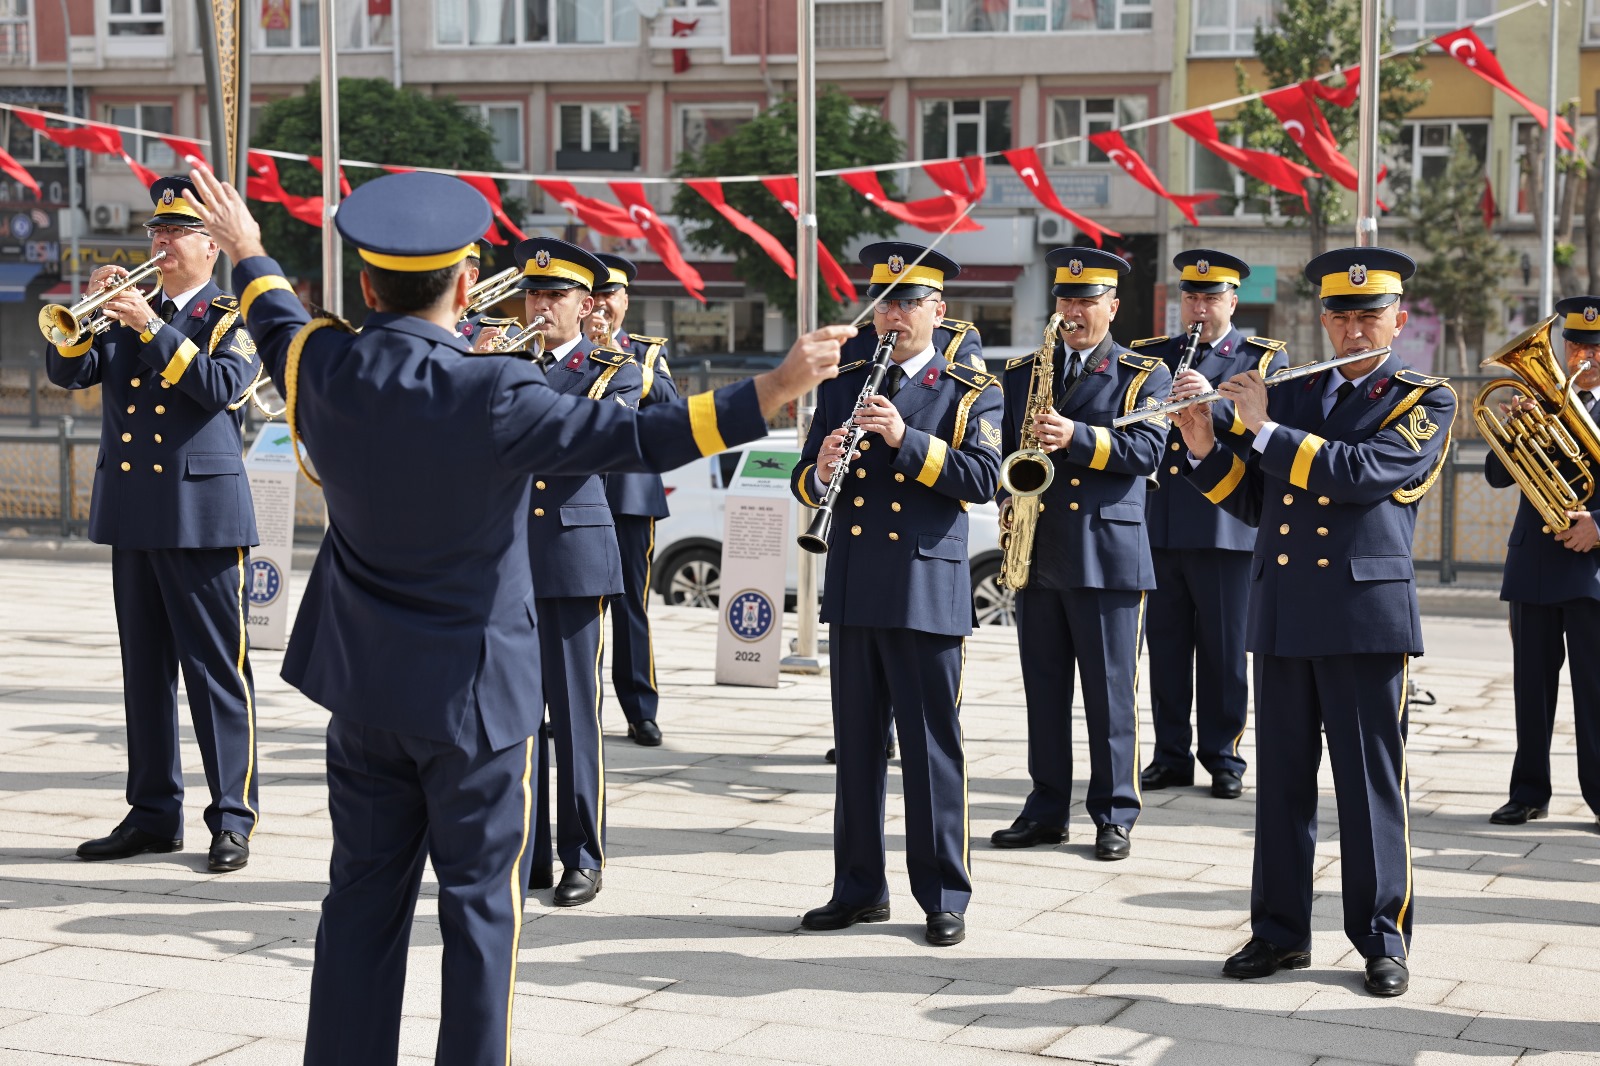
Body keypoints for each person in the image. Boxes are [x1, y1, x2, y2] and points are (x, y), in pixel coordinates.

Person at [183, 165, 848, 1064]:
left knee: (359, 907)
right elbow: (636, 437)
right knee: (480, 916)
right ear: (465, 285)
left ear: (368, 286)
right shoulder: (493, 390)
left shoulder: (324, 365)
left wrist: (248, 245)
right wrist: (770, 391)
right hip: (476, 703)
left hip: (365, 690)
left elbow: (272, 315)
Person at [1170, 246, 1455, 998]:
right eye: (1340, 316)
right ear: (1322, 320)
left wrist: (1259, 430)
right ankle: (1278, 933)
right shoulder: (1294, 396)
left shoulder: (1423, 397)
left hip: (1365, 616)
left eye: (1369, 315)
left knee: (1369, 789)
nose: (1355, 329)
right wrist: (1204, 447)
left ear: (1398, 317)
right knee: (1283, 788)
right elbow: (1259, 505)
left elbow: (1359, 477)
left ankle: (1383, 938)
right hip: (1286, 608)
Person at [47, 175, 261, 875]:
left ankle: (232, 816)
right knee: (144, 674)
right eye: (155, 233)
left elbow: (222, 389)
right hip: (136, 512)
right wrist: (88, 311)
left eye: (176, 233)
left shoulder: (231, 318)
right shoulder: (123, 311)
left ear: (210, 245)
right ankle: (152, 812)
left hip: (200, 516)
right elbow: (69, 371)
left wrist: (151, 326)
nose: (161, 244)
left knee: (214, 672)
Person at [790, 243, 1002, 947]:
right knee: (855, 751)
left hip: (923, 589)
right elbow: (804, 476)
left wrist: (907, 437)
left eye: (910, 302)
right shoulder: (845, 380)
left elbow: (982, 478)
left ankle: (943, 894)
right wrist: (821, 470)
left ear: (940, 311)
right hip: (853, 585)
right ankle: (857, 889)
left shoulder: (969, 388)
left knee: (930, 749)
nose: (895, 314)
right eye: (885, 301)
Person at [989, 246, 1168, 862]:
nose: (1074, 312)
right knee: (1044, 691)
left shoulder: (1143, 375)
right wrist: (1007, 500)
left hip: (1106, 557)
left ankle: (1115, 812)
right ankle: (1045, 809)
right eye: (1066, 300)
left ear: (1112, 307)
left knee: (1110, 692)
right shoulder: (1020, 374)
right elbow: (1003, 459)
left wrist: (1079, 438)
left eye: (1087, 302)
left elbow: (1147, 453)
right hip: (1037, 553)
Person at [517, 237, 643, 908]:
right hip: (506, 559)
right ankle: (527, 855)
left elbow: (590, 442)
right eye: (533, 293)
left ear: (586, 305)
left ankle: (582, 854)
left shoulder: (613, 369)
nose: (541, 305)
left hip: (572, 556)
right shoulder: (502, 361)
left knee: (573, 715)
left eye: (556, 294)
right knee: (513, 717)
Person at [1137, 249, 1289, 800]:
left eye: (1210, 297)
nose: (1199, 307)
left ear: (1232, 301)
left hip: (1226, 524)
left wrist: (1212, 406)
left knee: (1225, 650)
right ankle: (1170, 754)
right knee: (1167, 647)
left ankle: (1224, 756)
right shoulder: (1153, 356)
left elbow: (1267, 430)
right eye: (1191, 297)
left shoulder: (1259, 360)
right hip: (1162, 522)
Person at [1484, 295, 1600, 832]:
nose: (1583, 356)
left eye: (1595, 348)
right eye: (1575, 344)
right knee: (1531, 689)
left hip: (1592, 574)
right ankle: (1528, 792)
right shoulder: (1540, 400)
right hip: (1533, 567)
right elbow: (1497, 474)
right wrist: (1518, 425)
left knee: (1596, 691)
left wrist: (1598, 525)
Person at [589, 252, 679, 747]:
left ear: (625, 301)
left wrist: (619, 361)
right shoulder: (561, 347)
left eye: (611, 295)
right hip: (572, 491)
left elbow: (670, 404)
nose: (601, 305)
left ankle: (640, 710)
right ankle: (568, 704)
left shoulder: (645, 353)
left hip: (628, 496)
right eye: (594, 295)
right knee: (571, 607)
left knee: (630, 609)